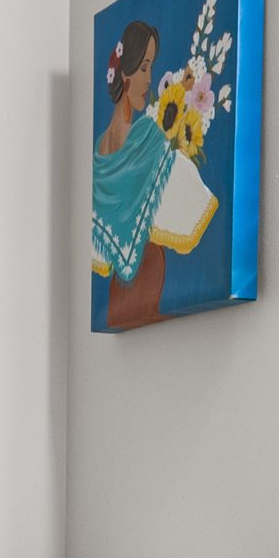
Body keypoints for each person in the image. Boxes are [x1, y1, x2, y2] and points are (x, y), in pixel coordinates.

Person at [91, 20, 171, 328]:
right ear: (125, 75)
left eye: (151, 68)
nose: (150, 79)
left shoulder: (100, 148)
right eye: (144, 68)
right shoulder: (147, 137)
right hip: (147, 268)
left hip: (119, 295)